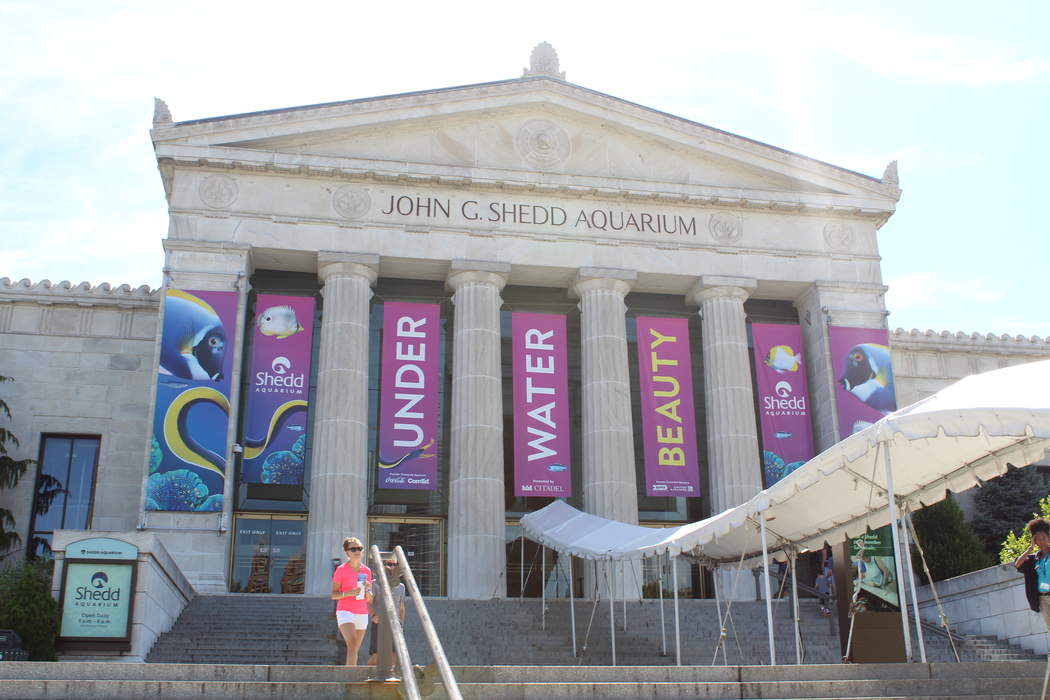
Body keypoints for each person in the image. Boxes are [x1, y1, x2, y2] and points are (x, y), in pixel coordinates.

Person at [331, 536, 373, 666]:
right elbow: (333, 595)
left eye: (359, 548)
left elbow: (370, 599)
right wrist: (349, 593)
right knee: (353, 644)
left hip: (362, 612)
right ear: (347, 552)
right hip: (345, 611)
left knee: (354, 649)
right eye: (353, 549)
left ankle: (350, 676)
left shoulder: (367, 571)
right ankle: (350, 675)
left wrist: (367, 590)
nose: (357, 551)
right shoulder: (341, 570)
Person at [367, 554, 407, 682]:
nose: (391, 567)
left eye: (394, 564)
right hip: (379, 622)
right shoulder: (375, 584)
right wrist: (373, 615)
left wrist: (401, 622)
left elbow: (401, 606)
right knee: (376, 654)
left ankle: (392, 676)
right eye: (388, 564)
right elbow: (369, 602)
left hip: (395, 623)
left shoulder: (401, 587)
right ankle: (367, 672)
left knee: (395, 653)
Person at [1014, 517, 1050, 630]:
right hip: (1043, 598)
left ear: (1048, 538)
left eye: (1044, 538)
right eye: (1038, 539)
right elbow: (1017, 564)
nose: (1041, 541)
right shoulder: (1034, 559)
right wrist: (1030, 548)